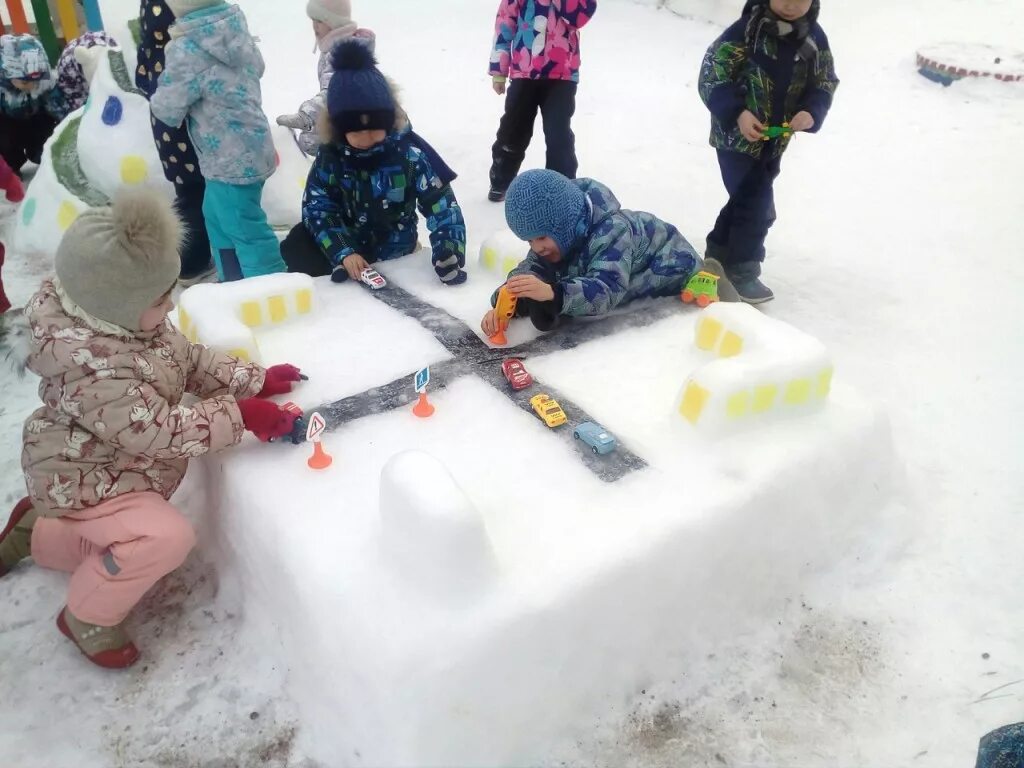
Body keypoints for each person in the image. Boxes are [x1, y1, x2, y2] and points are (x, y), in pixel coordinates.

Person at [0, 190, 304, 668]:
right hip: (90, 480)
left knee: (136, 532)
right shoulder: (93, 368)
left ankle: (36, 532)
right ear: (116, 302)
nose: (170, 307)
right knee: (164, 537)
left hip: (110, 469)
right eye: (161, 298)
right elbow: (156, 430)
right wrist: (241, 416)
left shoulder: (130, 326)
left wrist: (255, 379)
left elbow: (187, 360)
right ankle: (87, 613)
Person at [282, 41, 467, 286]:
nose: (366, 138)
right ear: (339, 128)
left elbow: (441, 204)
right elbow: (318, 208)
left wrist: (448, 248)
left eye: (374, 128)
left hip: (397, 253)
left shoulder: (408, 155)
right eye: (356, 131)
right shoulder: (331, 158)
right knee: (297, 242)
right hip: (350, 252)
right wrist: (343, 251)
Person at [698, 0, 839, 303]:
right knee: (758, 205)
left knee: (746, 198)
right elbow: (713, 74)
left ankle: (718, 255)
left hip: (775, 141)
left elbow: (824, 80)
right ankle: (743, 270)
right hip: (736, 139)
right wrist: (737, 112)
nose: (791, 4)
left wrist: (811, 111)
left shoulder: (813, 37)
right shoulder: (747, 31)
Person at [151, 0, 285, 281]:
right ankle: (233, 283)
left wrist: (167, 63)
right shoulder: (234, 29)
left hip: (228, 158)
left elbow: (167, 107)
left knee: (244, 227)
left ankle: (273, 288)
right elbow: (258, 67)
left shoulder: (187, 49)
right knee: (216, 217)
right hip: (252, 144)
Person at [481, 169, 701, 335]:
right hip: (631, 267)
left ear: (564, 225)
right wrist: (507, 299)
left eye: (541, 237)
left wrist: (554, 294)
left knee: (633, 288)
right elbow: (531, 269)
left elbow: (607, 289)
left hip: (672, 263)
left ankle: (711, 274)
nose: (536, 247)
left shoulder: (613, 231)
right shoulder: (556, 242)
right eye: (529, 241)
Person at [486, 0, 597, 202]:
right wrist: (499, 70)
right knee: (513, 127)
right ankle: (501, 180)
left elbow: (580, 17)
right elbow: (505, 22)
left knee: (558, 133)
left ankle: (561, 187)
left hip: (562, 75)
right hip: (524, 71)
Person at [275, 0, 375, 157]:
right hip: (351, 122)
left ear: (334, 22)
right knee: (312, 139)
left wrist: (307, 116)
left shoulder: (343, 53)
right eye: (313, 20)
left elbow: (335, 92)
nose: (314, 26)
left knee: (314, 142)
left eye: (320, 21)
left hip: (356, 130)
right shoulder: (340, 47)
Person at [0, 34, 63, 177]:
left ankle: (43, 155)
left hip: (34, 119)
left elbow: (58, 107)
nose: (31, 86)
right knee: (5, 145)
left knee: (50, 145)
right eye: (24, 82)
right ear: (6, 73)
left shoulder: (45, 83)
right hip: (6, 124)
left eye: (36, 80)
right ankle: (10, 168)